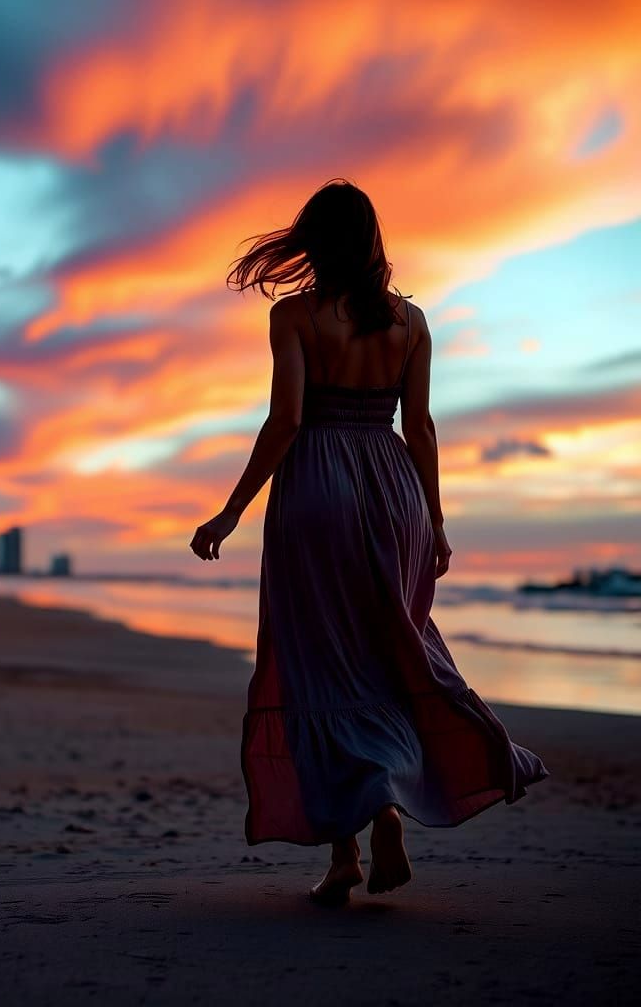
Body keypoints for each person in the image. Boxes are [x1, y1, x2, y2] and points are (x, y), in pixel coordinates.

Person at [189, 178, 550, 905]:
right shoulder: (411, 323)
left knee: (318, 666)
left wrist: (229, 512)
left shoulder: (295, 317)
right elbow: (419, 427)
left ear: (314, 243)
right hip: (395, 492)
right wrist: (438, 522)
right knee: (392, 652)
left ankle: (358, 835)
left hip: (317, 486)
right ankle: (365, 831)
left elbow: (286, 422)